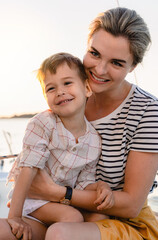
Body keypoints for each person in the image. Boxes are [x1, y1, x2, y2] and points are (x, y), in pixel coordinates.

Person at [0, 6, 158, 240]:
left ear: (132, 67)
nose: (99, 69)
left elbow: (130, 206)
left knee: (61, 233)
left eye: (116, 63)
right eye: (94, 53)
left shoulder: (149, 111)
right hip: (65, 213)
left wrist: (55, 192)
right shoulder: (70, 98)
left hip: (122, 222)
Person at [4, 52, 112, 240]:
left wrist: (102, 186)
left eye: (67, 83)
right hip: (32, 199)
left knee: (100, 216)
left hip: (60, 202)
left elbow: (84, 182)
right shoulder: (42, 123)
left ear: (87, 88)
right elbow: (27, 170)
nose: (60, 91)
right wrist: (15, 216)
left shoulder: (94, 140)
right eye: (51, 88)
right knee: (72, 217)